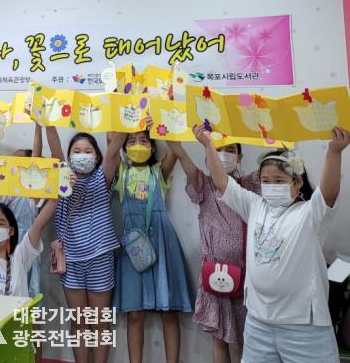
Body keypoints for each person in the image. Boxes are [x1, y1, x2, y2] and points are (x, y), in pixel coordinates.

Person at [194, 123, 349, 363]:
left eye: (279, 180)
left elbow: (328, 193)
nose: (271, 186)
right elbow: (222, 182)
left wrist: (334, 151)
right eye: (266, 181)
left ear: (297, 183)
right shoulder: (255, 205)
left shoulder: (309, 213)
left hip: (303, 325)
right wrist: (207, 145)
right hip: (258, 322)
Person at [168, 141, 260, 363]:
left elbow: (275, 167)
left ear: (239, 157)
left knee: (248, 338)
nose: (224, 155)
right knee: (219, 338)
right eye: (218, 149)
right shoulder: (204, 185)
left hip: (248, 276)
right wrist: (171, 140)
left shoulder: (249, 184)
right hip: (216, 274)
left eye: (231, 150)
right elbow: (184, 160)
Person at [112, 128, 193, 363]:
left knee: (168, 311)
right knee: (134, 313)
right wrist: (124, 120)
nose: (137, 145)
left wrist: (160, 123)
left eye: (143, 140)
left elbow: (175, 145)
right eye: (131, 141)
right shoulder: (122, 171)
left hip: (162, 243)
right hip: (133, 247)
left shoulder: (159, 170)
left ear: (153, 146)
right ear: (124, 147)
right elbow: (110, 142)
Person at [45, 124, 121, 363]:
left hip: (100, 258)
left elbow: (113, 151)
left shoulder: (102, 177)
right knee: (79, 321)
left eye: (88, 151)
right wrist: (47, 121)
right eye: (76, 151)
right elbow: (55, 149)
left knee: (100, 322)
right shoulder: (62, 177)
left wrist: (129, 121)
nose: (82, 155)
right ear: (69, 157)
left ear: (96, 156)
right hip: (70, 261)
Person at [0, 122, 44, 298]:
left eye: (21, 161)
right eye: (13, 161)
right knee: (6, 288)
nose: (15, 165)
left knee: (29, 289)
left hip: (28, 242)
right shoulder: (5, 190)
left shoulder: (32, 191)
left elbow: (36, 156)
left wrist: (38, 126)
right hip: (5, 243)